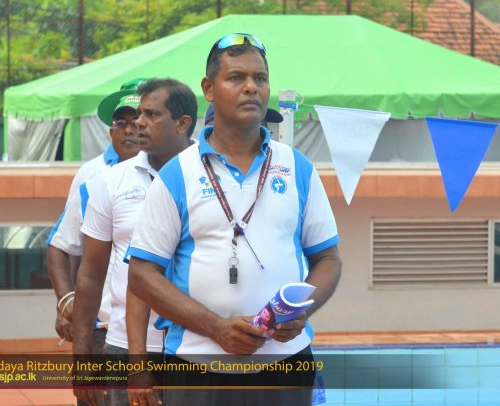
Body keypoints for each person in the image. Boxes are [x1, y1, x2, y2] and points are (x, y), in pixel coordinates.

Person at [127, 33, 342, 406]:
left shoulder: (297, 167)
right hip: (197, 366)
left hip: (285, 364)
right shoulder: (178, 173)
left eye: (260, 78)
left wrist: (303, 310)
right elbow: (142, 274)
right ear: (209, 89)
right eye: (236, 77)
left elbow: (328, 259)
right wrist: (216, 328)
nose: (251, 88)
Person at [72, 78, 198, 406]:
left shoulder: (212, 176)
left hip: (200, 344)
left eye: (149, 115)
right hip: (125, 348)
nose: (138, 123)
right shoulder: (109, 182)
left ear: (183, 123)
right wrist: (82, 355)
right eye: (138, 114)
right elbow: (90, 274)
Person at [47, 81, 143, 348]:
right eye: (121, 122)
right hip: (103, 325)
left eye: (137, 121)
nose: (130, 130)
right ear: (111, 129)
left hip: (160, 328)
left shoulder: (172, 170)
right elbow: (66, 245)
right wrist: (67, 301)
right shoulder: (93, 175)